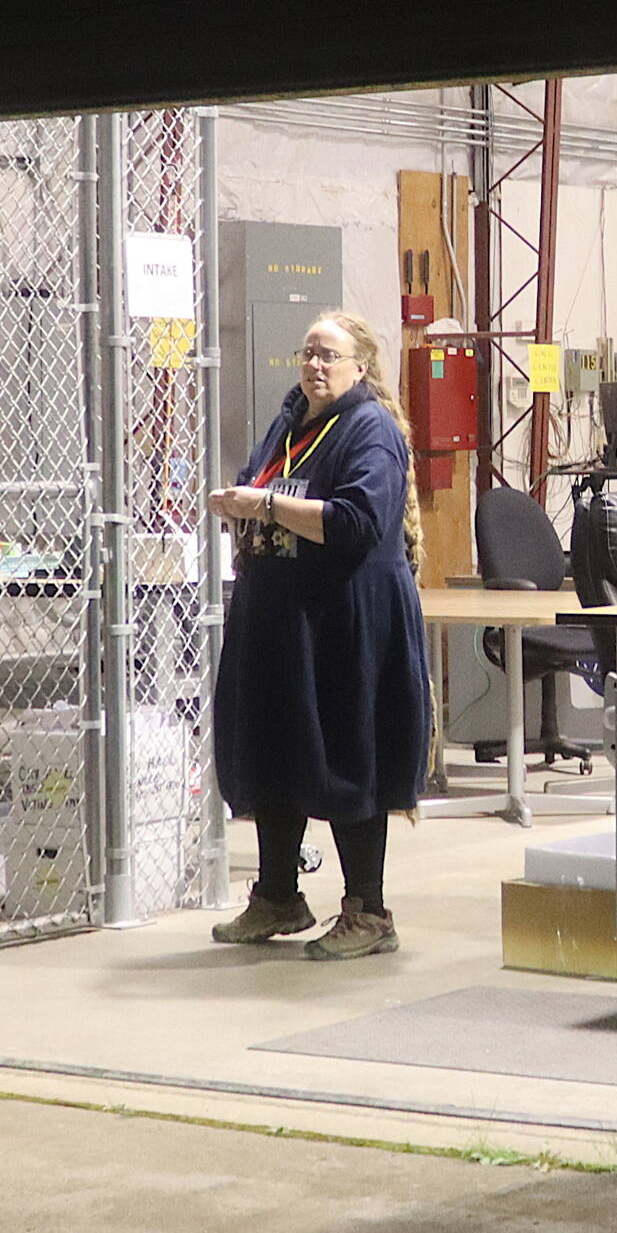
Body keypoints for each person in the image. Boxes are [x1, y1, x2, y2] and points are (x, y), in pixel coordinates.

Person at [206, 311, 431, 961]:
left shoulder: (370, 430)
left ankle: (368, 910)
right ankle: (278, 895)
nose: (314, 365)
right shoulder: (289, 421)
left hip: (344, 624)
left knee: (346, 753)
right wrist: (239, 504)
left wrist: (264, 505)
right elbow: (263, 485)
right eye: (306, 352)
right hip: (279, 620)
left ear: (360, 365)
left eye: (328, 355)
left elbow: (358, 522)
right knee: (276, 749)